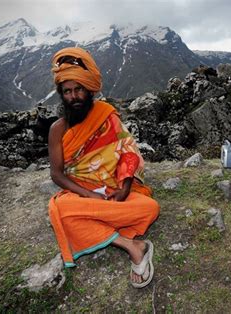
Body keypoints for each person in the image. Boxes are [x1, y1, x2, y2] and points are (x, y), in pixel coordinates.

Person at [47, 47, 160, 288]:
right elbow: (56, 173)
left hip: (114, 191)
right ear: (61, 94)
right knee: (61, 207)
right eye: (67, 91)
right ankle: (131, 245)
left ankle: (95, 226)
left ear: (89, 90)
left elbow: (128, 150)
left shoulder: (107, 116)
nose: (74, 96)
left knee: (149, 208)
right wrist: (88, 194)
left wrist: (126, 187)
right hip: (80, 193)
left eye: (79, 89)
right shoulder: (57, 129)